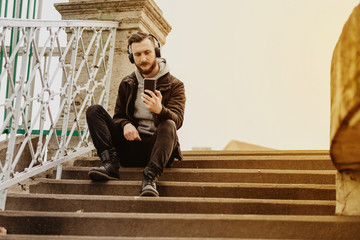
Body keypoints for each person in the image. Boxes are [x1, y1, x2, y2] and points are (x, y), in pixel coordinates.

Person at [85, 32, 186, 197]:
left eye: (147, 52)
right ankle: (110, 163)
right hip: (130, 147)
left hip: (157, 150)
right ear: (132, 57)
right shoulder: (127, 82)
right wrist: (126, 124)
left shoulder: (175, 85)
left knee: (169, 124)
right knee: (94, 111)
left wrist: (160, 110)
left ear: (156, 53)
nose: (143, 58)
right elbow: (118, 116)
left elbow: (177, 121)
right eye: (138, 54)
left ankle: (150, 178)